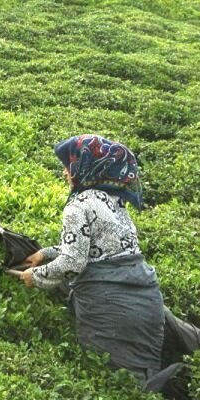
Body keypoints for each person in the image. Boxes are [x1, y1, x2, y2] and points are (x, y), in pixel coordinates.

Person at [11, 134, 200, 392]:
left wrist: (36, 276)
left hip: (111, 311)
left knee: (126, 388)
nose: (65, 173)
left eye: (70, 165)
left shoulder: (77, 207)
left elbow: (73, 262)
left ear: (87, 167)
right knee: (147, 373)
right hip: (147, 301)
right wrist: (45, 253)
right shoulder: (113, 201)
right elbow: (101, 250)